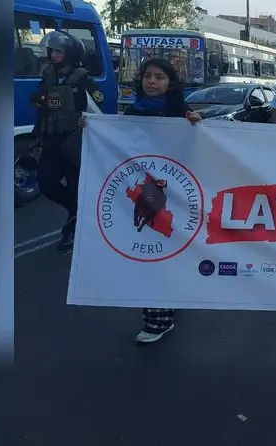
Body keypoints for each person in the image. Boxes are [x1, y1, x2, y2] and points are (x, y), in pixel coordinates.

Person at [79, 57, 201, 344]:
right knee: (151, 250)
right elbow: (115, 136)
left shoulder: (181, 113)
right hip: (142, 190)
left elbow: (198, 147)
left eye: (160, 77)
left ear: (170, 83)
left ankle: (167, 307)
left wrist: (197, 126)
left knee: (170, 248)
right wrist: (93, 126)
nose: (152, 82)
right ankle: (158, 317)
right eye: (148, 76)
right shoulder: (133, 111)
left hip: (177, 193)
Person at [30, 30, 105, 251]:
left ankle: (73, 230)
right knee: (47, 183)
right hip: (52, 140)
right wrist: (37, 139)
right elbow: (39, 106)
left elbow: (100, 100)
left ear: (70, 53)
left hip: (74, 141)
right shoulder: (48, 76)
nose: (53, 55)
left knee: (76, 185)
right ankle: (78, 212)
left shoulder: (82, 78)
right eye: (52, 50)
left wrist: (85, 113)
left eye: (59, 51)